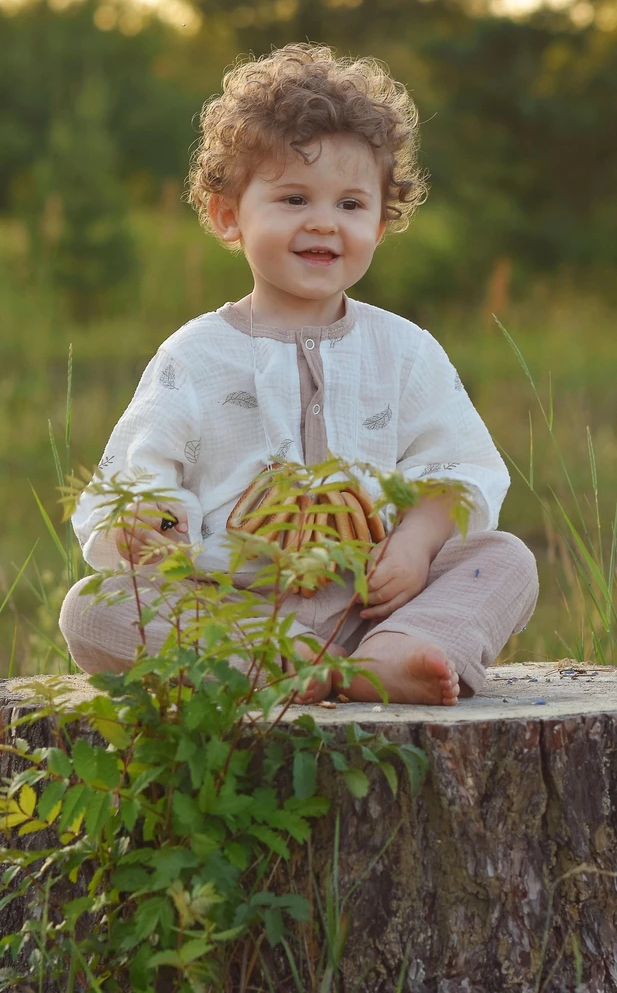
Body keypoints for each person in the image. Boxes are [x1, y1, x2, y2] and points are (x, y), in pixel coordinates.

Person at [59, 43, 538, 706]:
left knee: (505, 558)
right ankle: (275, 661)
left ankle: (391, 658)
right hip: (232, 612)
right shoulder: (195, 354)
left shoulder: (404, 350)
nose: (323, 221)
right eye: (292, 197)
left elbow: (460, 469)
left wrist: (416, 543)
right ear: (228, 213)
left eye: (350, 203)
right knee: (94, 607)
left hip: (376, 605)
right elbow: (141, 473)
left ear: (381, 218)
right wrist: (148, 521)